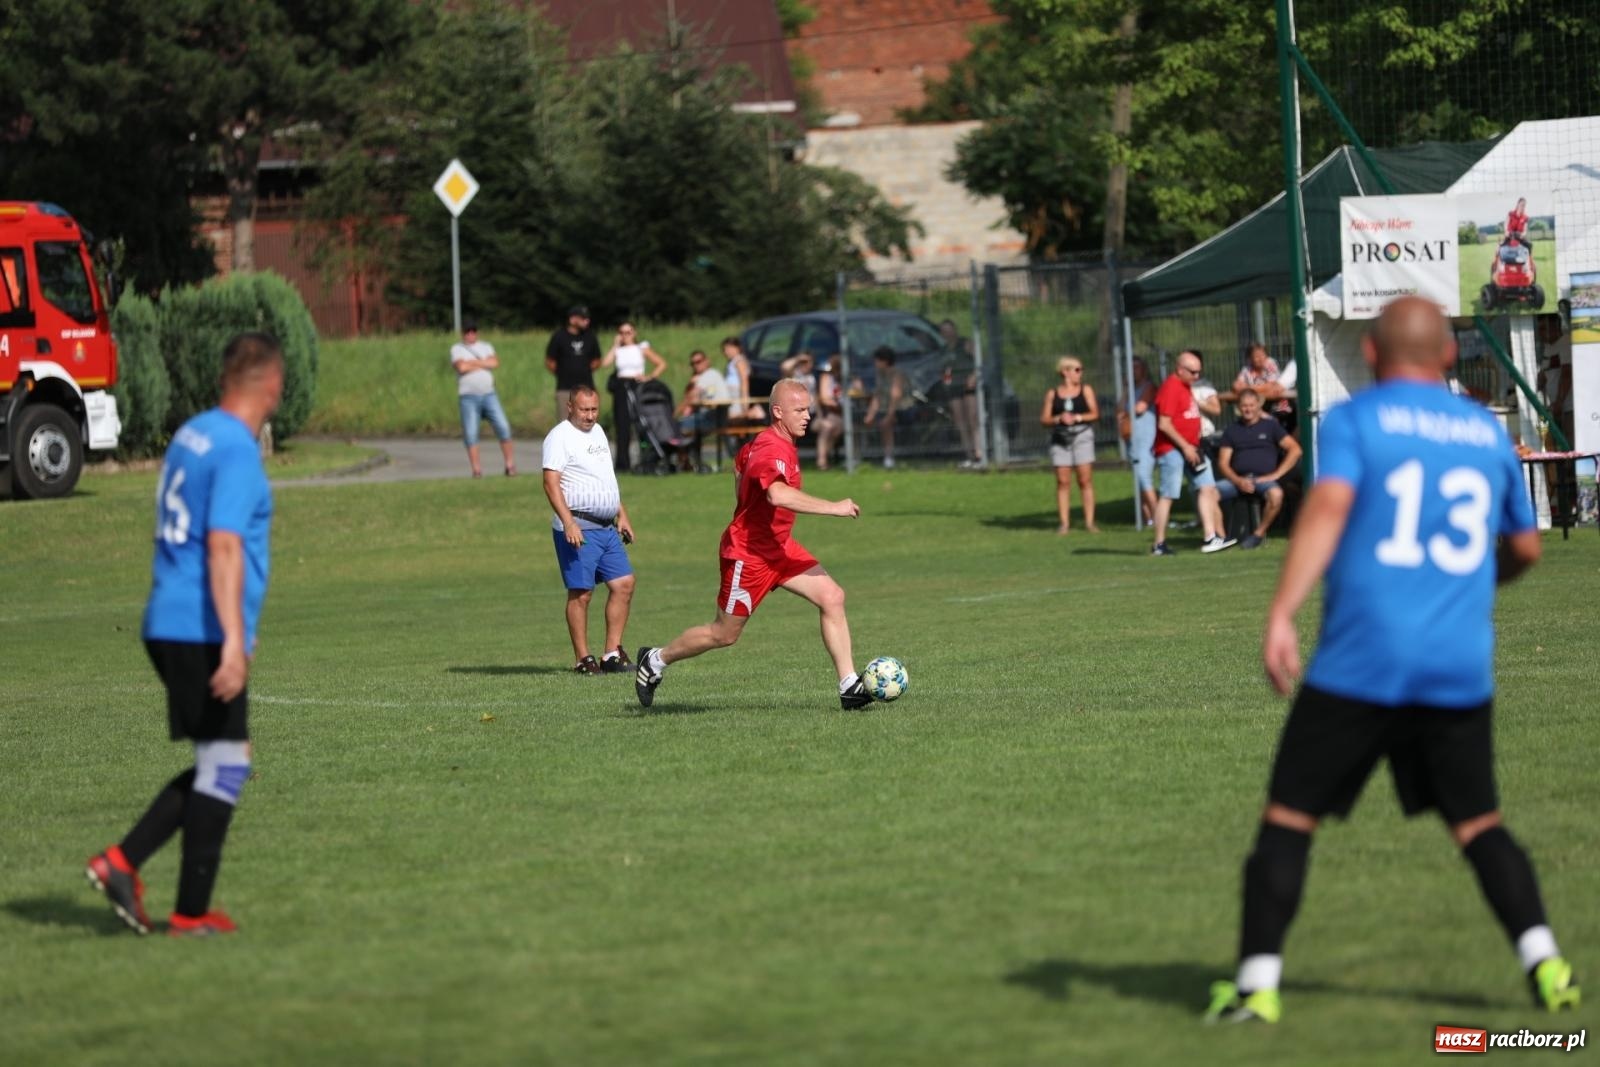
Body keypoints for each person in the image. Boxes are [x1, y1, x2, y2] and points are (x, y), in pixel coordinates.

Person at [1204, 296, 1578, 1025]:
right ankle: (1547, 963)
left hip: (1361, 662)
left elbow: (1329, 509)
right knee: (1479, 823)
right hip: (1455, 668)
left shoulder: (1356, 421)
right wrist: (1473, 582)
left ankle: (1256, 987)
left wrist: (1281, 612)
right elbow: (1527, 547)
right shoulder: (1485, 432)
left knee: (1290, 820)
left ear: (1371, 354)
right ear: (1449, 355)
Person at [85, 333, 284, 938]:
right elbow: (223, 545)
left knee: (222, 760)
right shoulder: (236, 450)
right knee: (225, 764)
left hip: (168, 616)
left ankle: (131, 870)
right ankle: (175, 903)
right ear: (272, 384)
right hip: (199, 625)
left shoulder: (193, 434)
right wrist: (233, 638)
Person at [633, 379, 870, 711]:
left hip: (780, 547)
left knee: (832, 596)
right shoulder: (771, 448)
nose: (807, 417)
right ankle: (655, 660)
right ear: (778, 412)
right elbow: (776, 494)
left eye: (808, 410)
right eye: (800, 410)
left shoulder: (768, 444)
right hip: (749, 555)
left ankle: (849, 686)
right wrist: (834, 507)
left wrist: (748, 507)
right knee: (724, 634)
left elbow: (739, 467)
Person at [541, 386, 637, 675]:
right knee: (581, 593)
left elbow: (605, 478)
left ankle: (612, 654)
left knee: (624, 584)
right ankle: (583, 659)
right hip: (579, 527)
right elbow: (550, 483)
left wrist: (621, 514)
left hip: (606, 527)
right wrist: (568, 522)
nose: (590, 416)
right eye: (584, 410)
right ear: (570, 407)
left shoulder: (598, 433)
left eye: (594, 409)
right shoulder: (559, 437)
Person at [1151, 350, 1234, 555]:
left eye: (1199, 372)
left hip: (1192, 448)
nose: (1197, 376)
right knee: (1168, 494)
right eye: (1193, 372)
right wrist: (1185, 446)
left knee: (1207, 488)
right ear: (1180, 369)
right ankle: (1159, 544)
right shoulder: (1171, 387)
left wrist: (1191, 445)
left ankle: (1211, 537)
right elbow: (1164, 424)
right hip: (1173, 449)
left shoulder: (1185, 386)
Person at [1216, 388, 1303, 548]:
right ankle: (1219, 538)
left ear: (1258, 406)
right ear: (1239, 407)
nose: (1248, 409)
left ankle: (1258, 534)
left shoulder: (1271, 427)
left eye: (1251, 405)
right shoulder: (1232, 430)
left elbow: (1295, 450)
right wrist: (1238, 480)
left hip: (1264, 480)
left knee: (1276, 494)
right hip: (1237, 480)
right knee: (1207, 493)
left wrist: (1276, 474)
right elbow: (1223, 463)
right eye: (1244, 406)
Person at [1041, 356, 1100, 534]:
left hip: (1082, 436)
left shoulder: (1086, 390)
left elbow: (1095, 413)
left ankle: (1090, 523)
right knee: (1063, 481)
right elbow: (1044, 419)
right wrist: (1058, 418)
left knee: (1085, 480)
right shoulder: (1053, 393)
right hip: (1060, 438)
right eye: (1077, 370)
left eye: (1080, 370)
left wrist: (1077, 417)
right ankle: (1064, 524)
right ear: (1065, 371)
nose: (1080, 373)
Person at [601, 321, 669, 473]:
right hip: (621, 386)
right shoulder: (619, 350)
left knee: (641, 422)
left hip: (636, 385)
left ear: (634, 333)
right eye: (622, 333)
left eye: (628, 332)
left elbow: (661, 363)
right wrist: (615, 345)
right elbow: (605, 363)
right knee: (622, 425)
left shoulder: (641, 348)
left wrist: (649, 377)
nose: (625, 336)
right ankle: (622, 463)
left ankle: (646, 459)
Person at [451, 320, 516, 478]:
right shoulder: (457, 349)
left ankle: (510, 465)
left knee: (503, 427)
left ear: (477, 332)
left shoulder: (486, 346)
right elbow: (461, 367)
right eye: (467, 331)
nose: (470, 334)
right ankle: (476, 469)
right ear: (463, 333)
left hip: (489, 394)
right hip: (468, 397)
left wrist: (472, 363)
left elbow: (494, 362)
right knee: (471, 433)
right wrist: (483, 363)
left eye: (473, 331)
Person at [676, 349, 730, 470]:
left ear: (707, 361)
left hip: (713, 418)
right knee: (685, 426)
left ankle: (685, 462)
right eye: (693, 363)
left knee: (678, 425)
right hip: (714, 418)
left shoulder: (709, 375)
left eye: (699, 361)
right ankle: (689, 462)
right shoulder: (710, 375)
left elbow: (690, 397)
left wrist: (673, 414)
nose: (696, 365)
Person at [545, 305, 602, 419]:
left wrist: (584, 370)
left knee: (588, 421)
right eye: (583, 318)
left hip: (587, 387)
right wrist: (562, 373)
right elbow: (550, 361)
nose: (587, 321)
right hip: (565, 389)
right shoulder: (559, 336)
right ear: (572, 319)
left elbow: (597, 360)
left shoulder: (590, 336)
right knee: (565, 422)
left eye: (587, 318)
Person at [939, 319, 982, 468]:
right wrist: (946, 382)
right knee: (960, 422)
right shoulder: (944, 350)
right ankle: (968, 454)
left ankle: (979, 453)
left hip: (968, 385)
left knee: (973, 417)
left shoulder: (966, 344)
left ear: (955, 330)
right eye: (944, 331)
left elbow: (979, 361)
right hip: (953, 388)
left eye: (950, 330)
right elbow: (945, 370)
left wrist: (974, 376)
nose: (948, 333)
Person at [1232, 342, 1297, 438]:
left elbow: (1272, 385)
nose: (1261, 359)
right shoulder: (1247, 369)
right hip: (1260, 403)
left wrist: (1249, 388)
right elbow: (1237, 385)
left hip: (1279, 401)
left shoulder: (1270, 363)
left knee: (1282, 413)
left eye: (1263, 355)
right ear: (1250, 358)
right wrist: (1241, 386)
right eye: (1256, 356)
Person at [863, 346, 910, 469]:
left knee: (886, 424)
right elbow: (877, 397)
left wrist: (889, 416)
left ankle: (889, 457)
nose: (875, 363)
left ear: (885, 361)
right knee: (861, 422)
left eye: (877, 361)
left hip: (902, 408)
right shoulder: (880, 375)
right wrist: (870, 415)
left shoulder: (897, 374)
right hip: (885, 408)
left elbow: (896, 395)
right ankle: (858, 457)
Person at [1128, 356, 1159, 525]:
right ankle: (1148, 518)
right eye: (1130, 368)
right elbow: (1119, 409)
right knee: (1139, 480)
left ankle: (1158, 516)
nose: (1133, 371)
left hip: (1147, 439)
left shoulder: (1149, 387)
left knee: (1144, 476)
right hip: (1133, 440)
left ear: (1144, 370)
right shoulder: (1130, 390)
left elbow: (1139, 408)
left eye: (1136, 368)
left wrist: (1124, 414)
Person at [812, 355, 845, 471]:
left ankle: (824, 458)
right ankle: (822, 461)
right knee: (828, 426)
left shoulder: (847, 379)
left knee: (835, 427)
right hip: (823, 416)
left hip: (841, 416)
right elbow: (825, 399)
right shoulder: (826, 377)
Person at [721, 336, 762, 420]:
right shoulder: (732, 362)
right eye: (724, 350)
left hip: (737, 395)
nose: (726, 352)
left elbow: (744, 381)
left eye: (728, 349)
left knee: (735, 418)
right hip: (731, 395)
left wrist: (744, 403)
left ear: (737, 348)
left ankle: (755, 413)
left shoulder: (739, 361)